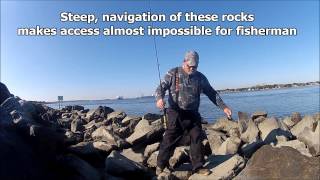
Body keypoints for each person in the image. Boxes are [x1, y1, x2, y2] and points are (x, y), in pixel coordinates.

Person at [154, 50, 232, 175]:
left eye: (194, 66)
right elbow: (160, 88)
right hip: (175, 112)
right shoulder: (173, 73)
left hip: (193, 113)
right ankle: (160, 165)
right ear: (184, 62)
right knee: (169, 139)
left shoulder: (200, 77)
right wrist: (159, 99)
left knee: (197, 137)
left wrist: (224, 107)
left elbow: (212, 93)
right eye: (189, 65)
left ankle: (198, 166)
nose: (191, 68)